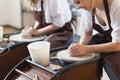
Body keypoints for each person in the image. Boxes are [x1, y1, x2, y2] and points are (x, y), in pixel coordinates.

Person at [68, 0, 120, 78]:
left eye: (78, 2)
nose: (78, 7)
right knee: (87, 57)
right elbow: (87, 34)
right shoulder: (90, 7)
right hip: (109, 39)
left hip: (117, 44)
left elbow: (117, 45)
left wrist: (86, 49)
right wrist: (78, 48)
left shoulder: (117, 7)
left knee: (111, 61)